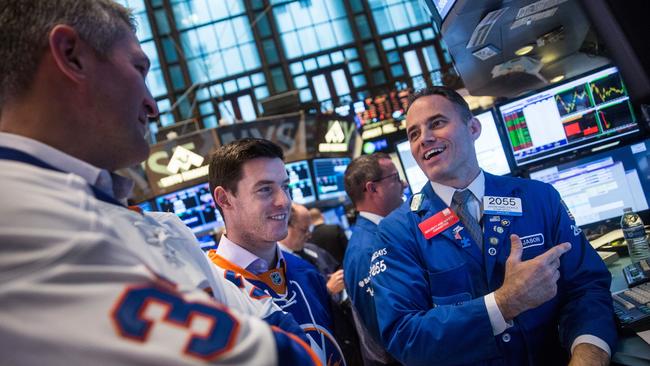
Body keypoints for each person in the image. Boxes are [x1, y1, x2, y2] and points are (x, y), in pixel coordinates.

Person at [0, 1, 319, 364]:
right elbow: (271, 356)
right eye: (138, 69)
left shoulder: (134, 217)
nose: (152, 105)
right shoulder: (20, 218)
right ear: (72, 56)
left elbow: (276, 326)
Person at [368, 86, 617, 365]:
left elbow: (586, 286)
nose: (424, 138)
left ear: (473, 127)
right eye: (413, 133)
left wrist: (589, 351)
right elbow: (404, 336)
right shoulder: (398, 231)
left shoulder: (538, 197)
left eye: (437, 123)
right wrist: (503, 304)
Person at [207, 138, 346, 365]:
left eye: (285, 187)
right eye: (264, 189)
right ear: (224, 199)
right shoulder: (211, 294)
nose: (284, 201)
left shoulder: (305, 271)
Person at [281, 203, 364, 366]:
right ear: (286, 226)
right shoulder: (277, 266)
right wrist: (328, 290)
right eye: (304, 230)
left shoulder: (313, 250)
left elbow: (336, 268)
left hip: (344, 336)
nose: (309, 235)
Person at [342, 153, 405, 366]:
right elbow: (386, 333)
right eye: (395, 178)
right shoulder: (366, 250)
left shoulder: (381, 235)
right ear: (373, 188)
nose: (403, 184)